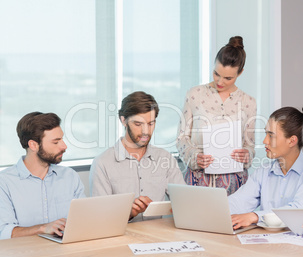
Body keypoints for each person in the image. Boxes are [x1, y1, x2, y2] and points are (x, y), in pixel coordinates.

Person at [177, 36, 256, 195]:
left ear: (240, 73)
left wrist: (247, 154)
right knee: (193, 220)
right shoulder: (195, 95)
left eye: (228, 78)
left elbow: (250, 145)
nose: (220, 81)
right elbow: (181, 139)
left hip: (235, 184)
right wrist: (194, 155)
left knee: (232, 220)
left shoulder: (248, 102)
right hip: (198, 181)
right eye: (216, 73)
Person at [229, 105, 303, 230]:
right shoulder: (263, 171)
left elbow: (298, 211)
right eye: (266, 134)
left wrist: (255, 216)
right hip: (271, 242)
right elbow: (240, 201)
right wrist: (214, 209)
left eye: (271, 135)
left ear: (292, 141)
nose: (265, 141)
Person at [90, 91, 185, 222]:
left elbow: (184, 201)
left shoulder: (165, 158)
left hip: (158, 237)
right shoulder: (103, 163)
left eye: (151, 123)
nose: (145, 131)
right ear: (123, 120)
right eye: (138, 124)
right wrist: (128, 213)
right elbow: (98, 217)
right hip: (120, 238)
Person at [0, 112, 85, 239]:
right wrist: (43, 228)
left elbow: (84, 219)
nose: (64, 146)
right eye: (56, 142)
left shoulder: (70, 176)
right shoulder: (5, 182)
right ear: (33, 145)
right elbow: (4, 232)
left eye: (62, 139)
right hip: (24, 255)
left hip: (67, 252)